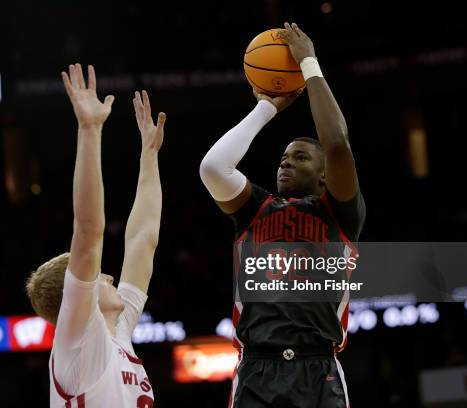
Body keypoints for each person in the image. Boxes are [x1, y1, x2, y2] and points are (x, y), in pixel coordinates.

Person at [199, 23, 365, 408]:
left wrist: (308, 63)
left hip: (318, 368)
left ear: (324, 175)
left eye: (301, 157)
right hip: (256, 368)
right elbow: (213, 168)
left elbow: (337, 143)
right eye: (283, 159)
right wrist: (266, 107)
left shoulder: (339, 214)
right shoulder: (255, 210)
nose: (286, 164)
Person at [26, 63, 165, 408]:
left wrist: (149, 156)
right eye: (99, 276)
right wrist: (89, 129)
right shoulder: (77, 342)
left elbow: (143, 238)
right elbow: (88, 233)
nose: (109, 275)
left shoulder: (116, 332)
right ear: (76, 297)